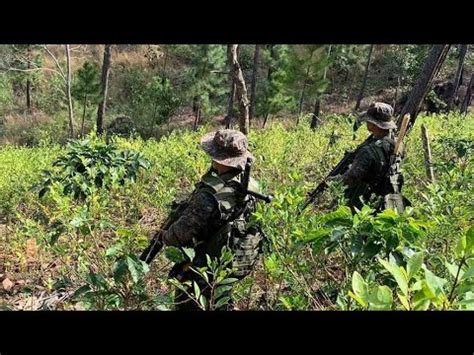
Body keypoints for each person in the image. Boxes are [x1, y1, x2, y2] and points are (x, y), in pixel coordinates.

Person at [154, 129, 264, 310]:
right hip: (231, 259)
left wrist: (165, 235)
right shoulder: (250, 186)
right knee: (219, 297)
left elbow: (181, 233)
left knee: (192, 302)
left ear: (217, 157)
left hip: (203, 264)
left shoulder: (210, 195)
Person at [335, 102, 403, 212]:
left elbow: (351, 178)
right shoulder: (395, 143)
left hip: (365, 203)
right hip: (387, 200)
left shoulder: (368, 151)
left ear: (374, 125)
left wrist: (333, 180)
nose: (367, 122)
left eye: (369, 120)